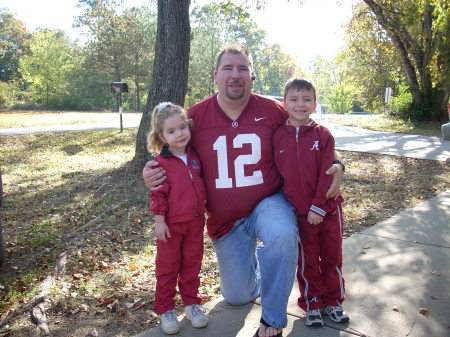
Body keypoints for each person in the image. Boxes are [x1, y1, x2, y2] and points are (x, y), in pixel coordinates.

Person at [143, 45, 344, 337]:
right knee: (237, 296)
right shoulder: (196, 118)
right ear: (216, 75)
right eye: (228, 68)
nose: (235, 75)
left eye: (242, 68)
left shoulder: (274, 110)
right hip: (226, 221)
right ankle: (269, 269)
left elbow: (310, 137)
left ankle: (273, 320)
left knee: (284, 235)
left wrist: (338, 164)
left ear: (252, 75)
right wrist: (149, 173)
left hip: (268, 202)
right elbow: (168, 152)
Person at [273, 78, 349, 328]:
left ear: (314, 105)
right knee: (307, 261)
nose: (300, 104)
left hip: (327, 210)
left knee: (331, 258)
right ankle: (312, 303)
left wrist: (318, 205)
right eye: (294, 99)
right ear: (284, 104)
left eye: (306, 100)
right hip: (301, 215)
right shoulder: (278, 137)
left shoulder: (323, 135)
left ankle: (333, 301)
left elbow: (327, 172)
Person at [147, 102, 208, 335]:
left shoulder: (194, 157)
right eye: (171, 131)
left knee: (192, 265)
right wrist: (160, 222)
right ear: (161, 136)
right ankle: (166, 309)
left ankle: (192, 305)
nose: (179, 134)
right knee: (167, 268)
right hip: (171, 226)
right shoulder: (159, 163)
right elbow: (158, 195)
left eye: (182, 128)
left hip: (195, 222)